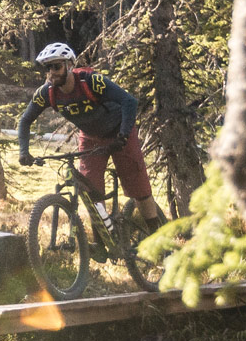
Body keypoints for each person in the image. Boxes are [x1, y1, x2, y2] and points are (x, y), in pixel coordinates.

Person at [16, 42, 164, 225]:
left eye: (56, 66)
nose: (52, 72)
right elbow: (24, 121)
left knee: (138, 188)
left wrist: (124, 135)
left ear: (69, 66)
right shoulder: (46, 93)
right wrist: (24, 152)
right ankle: (102, 242)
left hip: (119, 132)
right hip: (91, 137)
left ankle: (157, 238)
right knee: (91, 192)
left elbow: (129, 102)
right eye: (48, 68)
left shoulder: (91, 81)